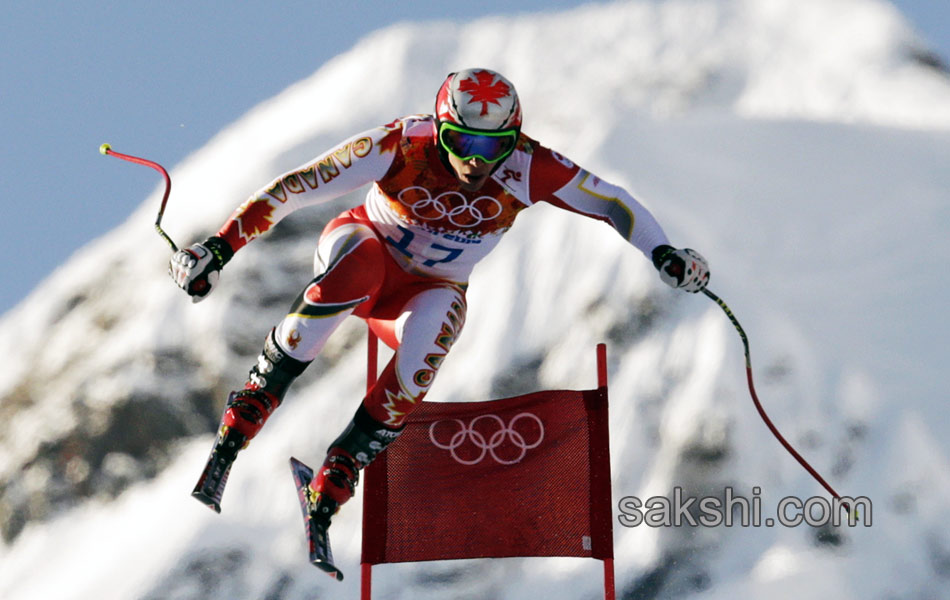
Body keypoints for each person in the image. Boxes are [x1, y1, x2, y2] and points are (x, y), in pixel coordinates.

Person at [169, 67, 709, 564]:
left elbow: (611, 202)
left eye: (493, 145)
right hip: (365, 248)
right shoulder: (402, 143)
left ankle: (337, 475)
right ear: (441, 129)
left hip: (427, 290)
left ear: (513, 139)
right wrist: (217, 249)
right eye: (462, 142)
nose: (477, 159)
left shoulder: (527, 165)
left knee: (434, 340)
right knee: (357, 270)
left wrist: (664, 253)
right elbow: (296, 186)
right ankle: (248, 412)